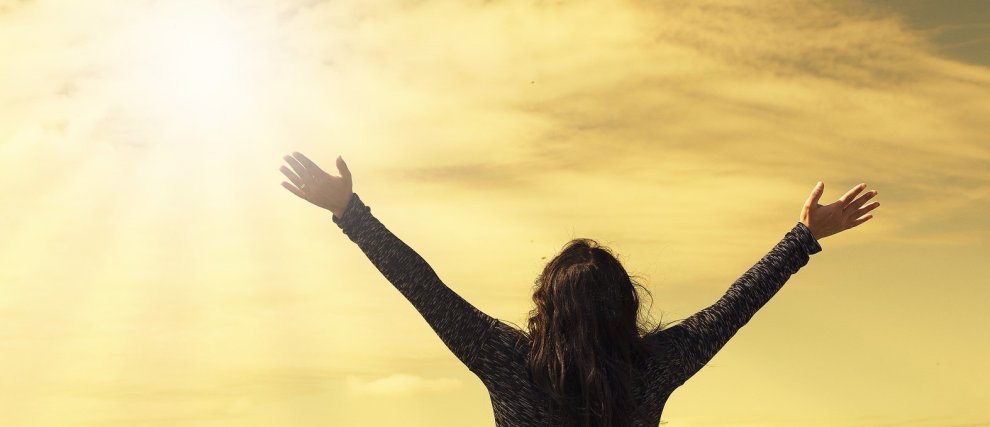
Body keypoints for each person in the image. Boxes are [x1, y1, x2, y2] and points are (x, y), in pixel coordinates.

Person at [279, 152, 880, 427]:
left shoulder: (510, 363)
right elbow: (734, 306)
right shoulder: (653, 367)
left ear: (545, 304)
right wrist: (803, 236)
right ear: (627, 305)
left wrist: (349, 211)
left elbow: (422, 287)